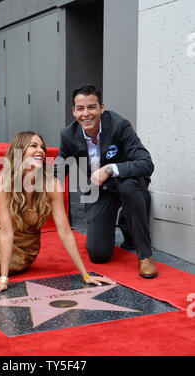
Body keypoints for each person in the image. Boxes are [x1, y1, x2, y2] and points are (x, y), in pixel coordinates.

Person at [0, 131, 116, 294]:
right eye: (33, 146)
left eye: (42, 147)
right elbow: (6, 231)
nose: (41, 150)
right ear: (19, 151)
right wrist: (4, 278)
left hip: (25, 249)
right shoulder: (4, 181)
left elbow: (65, 232)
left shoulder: (51, 184)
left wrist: (85, 275)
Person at [54, 85, 158, 278]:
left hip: (127, 183)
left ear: (101, 108)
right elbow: (59, 169)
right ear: (73, 111)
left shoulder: (120, 126)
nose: (86, 114)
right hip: (99, 191)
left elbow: (146, 163)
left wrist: (110, 169)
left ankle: (145, 256)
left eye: (92, 107)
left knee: (128, 187)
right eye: (80, 108)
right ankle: (124, 217)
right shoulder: (68, 135)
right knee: (98, 254)